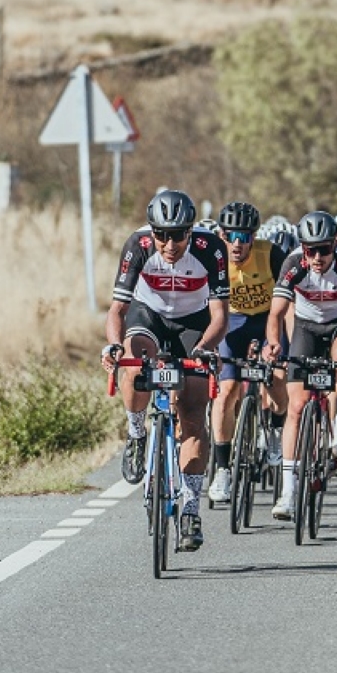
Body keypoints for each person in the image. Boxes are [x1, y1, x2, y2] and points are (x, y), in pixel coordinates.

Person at [101, 189, 229, 553]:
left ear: (191, 231)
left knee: (192, 414)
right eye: (162, 234)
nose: (169, 244)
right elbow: (117, 311)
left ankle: (190, 508)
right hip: (149, 316)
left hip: (194, 323)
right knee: (134, 357)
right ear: (152, 231)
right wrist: (112, 345)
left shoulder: (211, 249)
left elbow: (220, 316)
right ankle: (136, 432)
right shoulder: (138, 244)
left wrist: (204, 350)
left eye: (178, 234)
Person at [264, 211, 337, 521]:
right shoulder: (293, 264)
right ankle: (288, 491)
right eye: (311, 250)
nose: (318, 257)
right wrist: (274, 344)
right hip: (307, 328)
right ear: (303, 248)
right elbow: (276, 314)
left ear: (336, 244)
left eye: (325, 249)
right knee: (296, 408)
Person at [207, 200, 291, 503]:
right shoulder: (214, 256)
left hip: (269, 318)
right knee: (227, 390)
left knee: (277, 378)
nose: (237, 244)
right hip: (234, 321)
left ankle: (277, 430)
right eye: (231, 236)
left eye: (245, 237)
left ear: (254, 236)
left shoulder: (271, 254)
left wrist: (280, 343)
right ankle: (222, 470)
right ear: (221, 234)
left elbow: (289, 300)